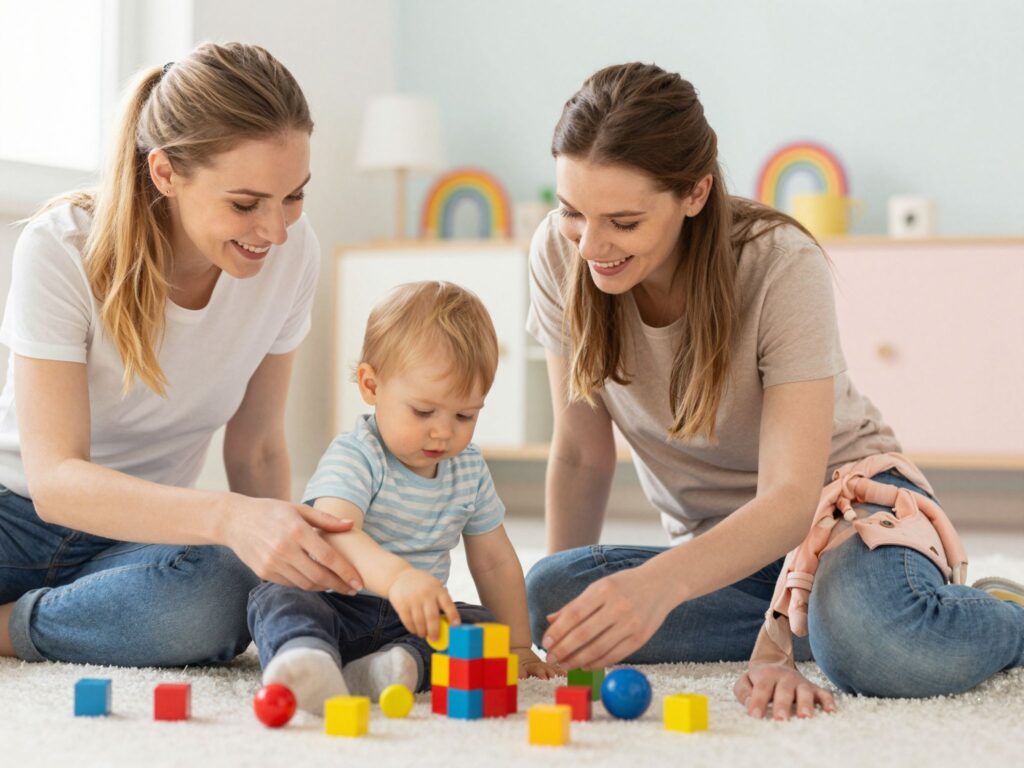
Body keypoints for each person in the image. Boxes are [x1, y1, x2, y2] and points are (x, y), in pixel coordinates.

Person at [524, 62, 1024, 719]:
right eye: (572, 212)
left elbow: (791, 500)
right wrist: (579, 628)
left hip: (844, 511)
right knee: (551, 593)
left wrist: (660, 588)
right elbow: (581, 454)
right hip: (727, 556)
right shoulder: (559, 258)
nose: (591, 245)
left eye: (622, 220)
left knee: (875, 647)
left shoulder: (778, 262)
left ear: (695, 193)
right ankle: (815, 618)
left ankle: (999, 611)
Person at [0, 42, 362, 667]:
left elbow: (257, 448)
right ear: (165, 173)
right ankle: (78, 618)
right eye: (245, 204)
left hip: (142, 539)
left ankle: (15, 627)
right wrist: (229, 517)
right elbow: (55, 482)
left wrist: (280, 564)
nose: (275, 231)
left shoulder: (293, 254)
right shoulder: (62, 247)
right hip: (15, 517)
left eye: (294, 196)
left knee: (225, 587)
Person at [247, 281, 559, 714]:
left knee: (483, 629)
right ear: (371, 386)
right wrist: (397, 579)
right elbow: (336, 534)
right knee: (277, 596)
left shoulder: (467, 467)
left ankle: (393, 669)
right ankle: (306, 658)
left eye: (465, 415)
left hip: (412, 622)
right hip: (336, 604)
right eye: (423, 411)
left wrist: (521, 646)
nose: (443, 431)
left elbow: (495, 560)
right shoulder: (358, 454)